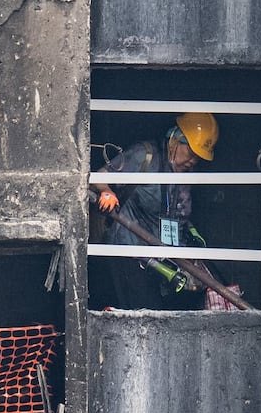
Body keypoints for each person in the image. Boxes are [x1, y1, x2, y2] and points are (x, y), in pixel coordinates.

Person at [90, 112, 219, 309]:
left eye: (198, 157)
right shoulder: (144, 155)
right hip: (132, 254)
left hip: (166, 257)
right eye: (191, 152)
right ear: (175, 138)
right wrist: (107, 192)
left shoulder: (186, 173)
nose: (193, 160)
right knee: (142, 310)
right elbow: (100, 176)